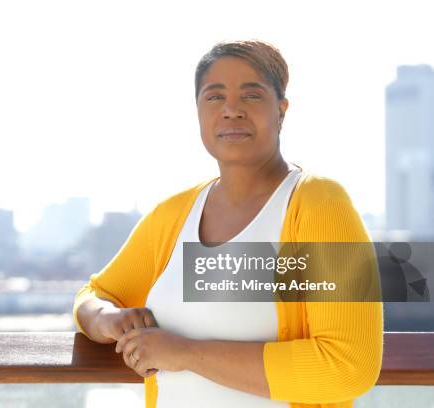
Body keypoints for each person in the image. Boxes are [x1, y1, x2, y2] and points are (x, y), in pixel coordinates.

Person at [72, 40, 383, 408]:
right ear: (199, 112)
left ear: (281, 111)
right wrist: (110, 320)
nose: (231, 110)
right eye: (214, 97)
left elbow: (349, 366)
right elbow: (92, 297)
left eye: (251, 96)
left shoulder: (319, 205)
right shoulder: (172, 216)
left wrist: (186, 354)